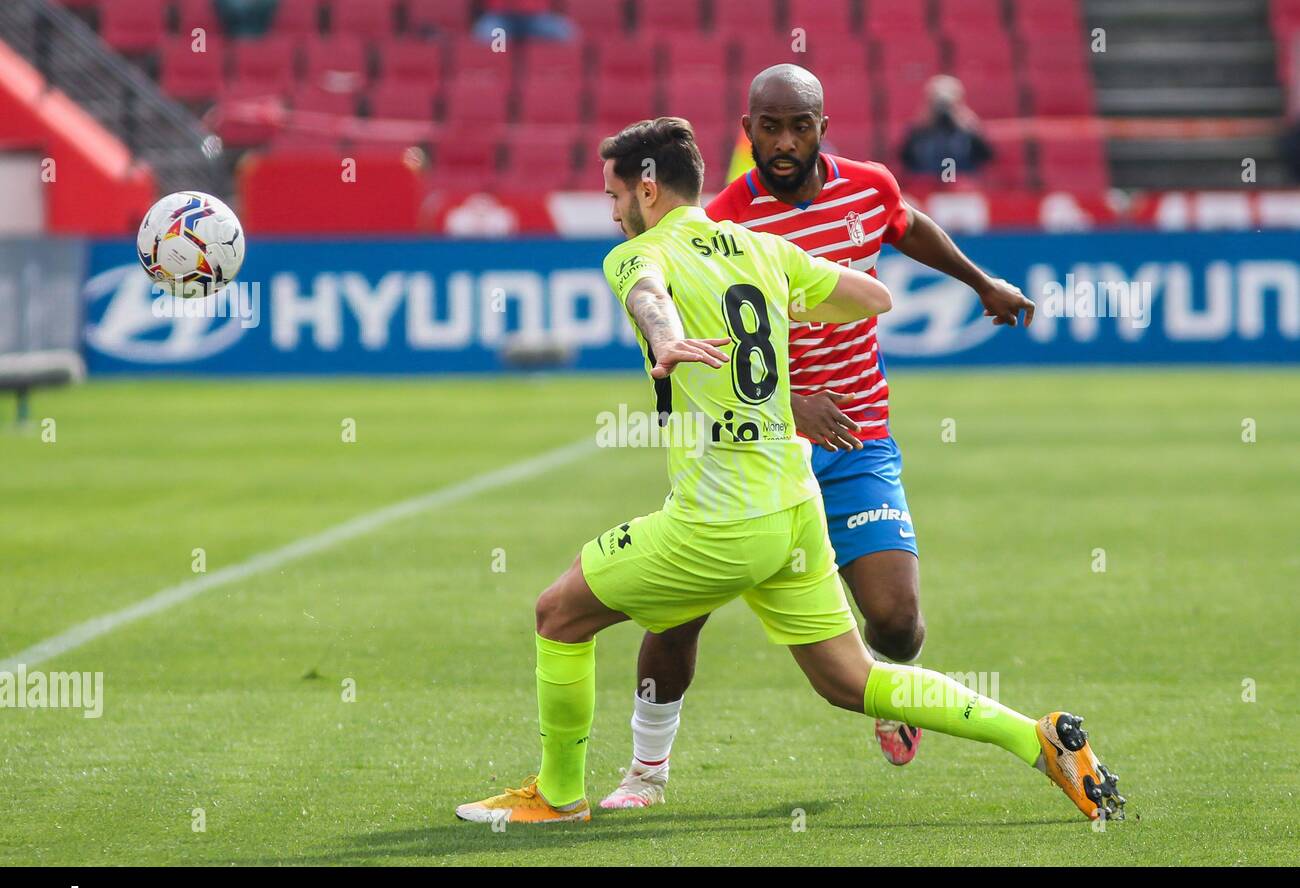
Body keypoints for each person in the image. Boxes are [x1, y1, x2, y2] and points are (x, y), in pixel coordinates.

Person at [454, 116, 1124, 825]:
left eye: (615, 194)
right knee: (852, 678)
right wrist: (788, 299)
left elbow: (647, 292)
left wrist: (669, 338)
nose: (612, 209)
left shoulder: (637, 253)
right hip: (793, 503)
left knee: (557, 614)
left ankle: (558, 796)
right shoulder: (763, 248)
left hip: (721, 519)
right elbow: (875, 298)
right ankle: (1038, 739)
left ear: (647, 188)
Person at [601, 64, 1036, 810]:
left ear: (821, 128)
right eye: (768, 126)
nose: (783, 141)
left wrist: (980, 282)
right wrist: (786, 399)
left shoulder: (867, 186)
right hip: (754, 443)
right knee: (677, 616)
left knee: (896, 625)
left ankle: (892, 691)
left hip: (859, 437)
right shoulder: (726, 219)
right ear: (747, 132)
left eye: (798, 125)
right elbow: (682, 311)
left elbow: (905, 226)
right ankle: (645, 772)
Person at [901, 75, 994, 179]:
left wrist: (971, 128)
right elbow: (905, 159)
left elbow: (988, 157)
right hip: (925, 186)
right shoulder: (918, 131)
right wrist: (920, 126)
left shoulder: (969, 130)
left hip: (964, 186)